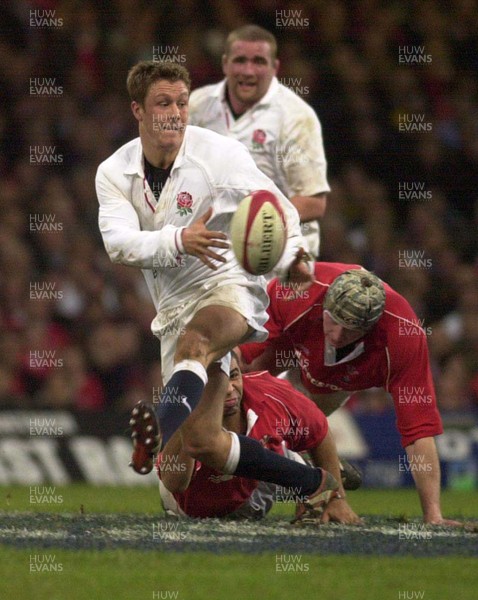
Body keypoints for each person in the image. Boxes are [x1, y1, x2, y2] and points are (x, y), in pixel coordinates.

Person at [95, 60, 340, 523]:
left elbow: (279, 211)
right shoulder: (113, 173)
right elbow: (118, 244)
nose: (175, 113)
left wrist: (293, 258)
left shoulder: (220, 158)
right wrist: (178, 240)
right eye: (162, 104)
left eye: (182, 103)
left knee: (198, 341)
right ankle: (315, 483)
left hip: (229, 285)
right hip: (173, 308)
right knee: (190, 458)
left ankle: (154, 429)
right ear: (138, 111)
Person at [240, 262, 461, 526]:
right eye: (334, 320)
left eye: (351, 328)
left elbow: (418, 431)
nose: (338, 334)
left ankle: (314, 466)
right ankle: (310, 465)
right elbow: (238, 357)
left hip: (341, 380)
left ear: (371, 326)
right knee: (243, 383)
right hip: (289, 335)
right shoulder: (296, 290)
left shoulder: (404, 336)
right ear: (325, 306)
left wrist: (433, 514)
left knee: (301, 428)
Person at [158, 353, 361, 523]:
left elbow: (319, 431)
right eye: (216, 384)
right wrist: (191, 417)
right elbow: (175, 483)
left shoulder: (270, 393)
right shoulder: (181, 406)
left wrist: (337, 498)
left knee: (276, 453)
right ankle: (302, 466)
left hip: (257, 490)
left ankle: (306, 470)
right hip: (188, 507)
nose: (228, 389)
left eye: (234, 375)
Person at [188, 24, 329, 259]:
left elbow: (313, 202)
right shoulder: (197, 105)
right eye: (240, 60)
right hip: (213, 251)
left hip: (277, 253)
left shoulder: (296, 117)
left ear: (275, 68)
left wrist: (253, 225)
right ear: (225, 63)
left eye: (259, 62)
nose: (248, 71)